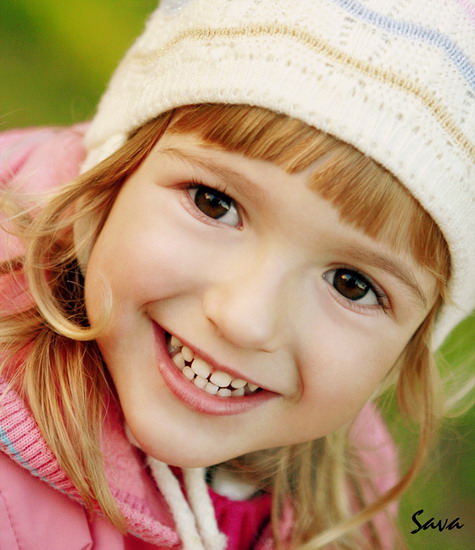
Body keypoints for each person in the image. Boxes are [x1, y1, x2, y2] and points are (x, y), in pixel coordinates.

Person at [0, 0, 473, 548]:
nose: (246, 320)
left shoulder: (344, 499)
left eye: (352, 284)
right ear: (112, 175)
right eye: (214, 203)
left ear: (410, 348)